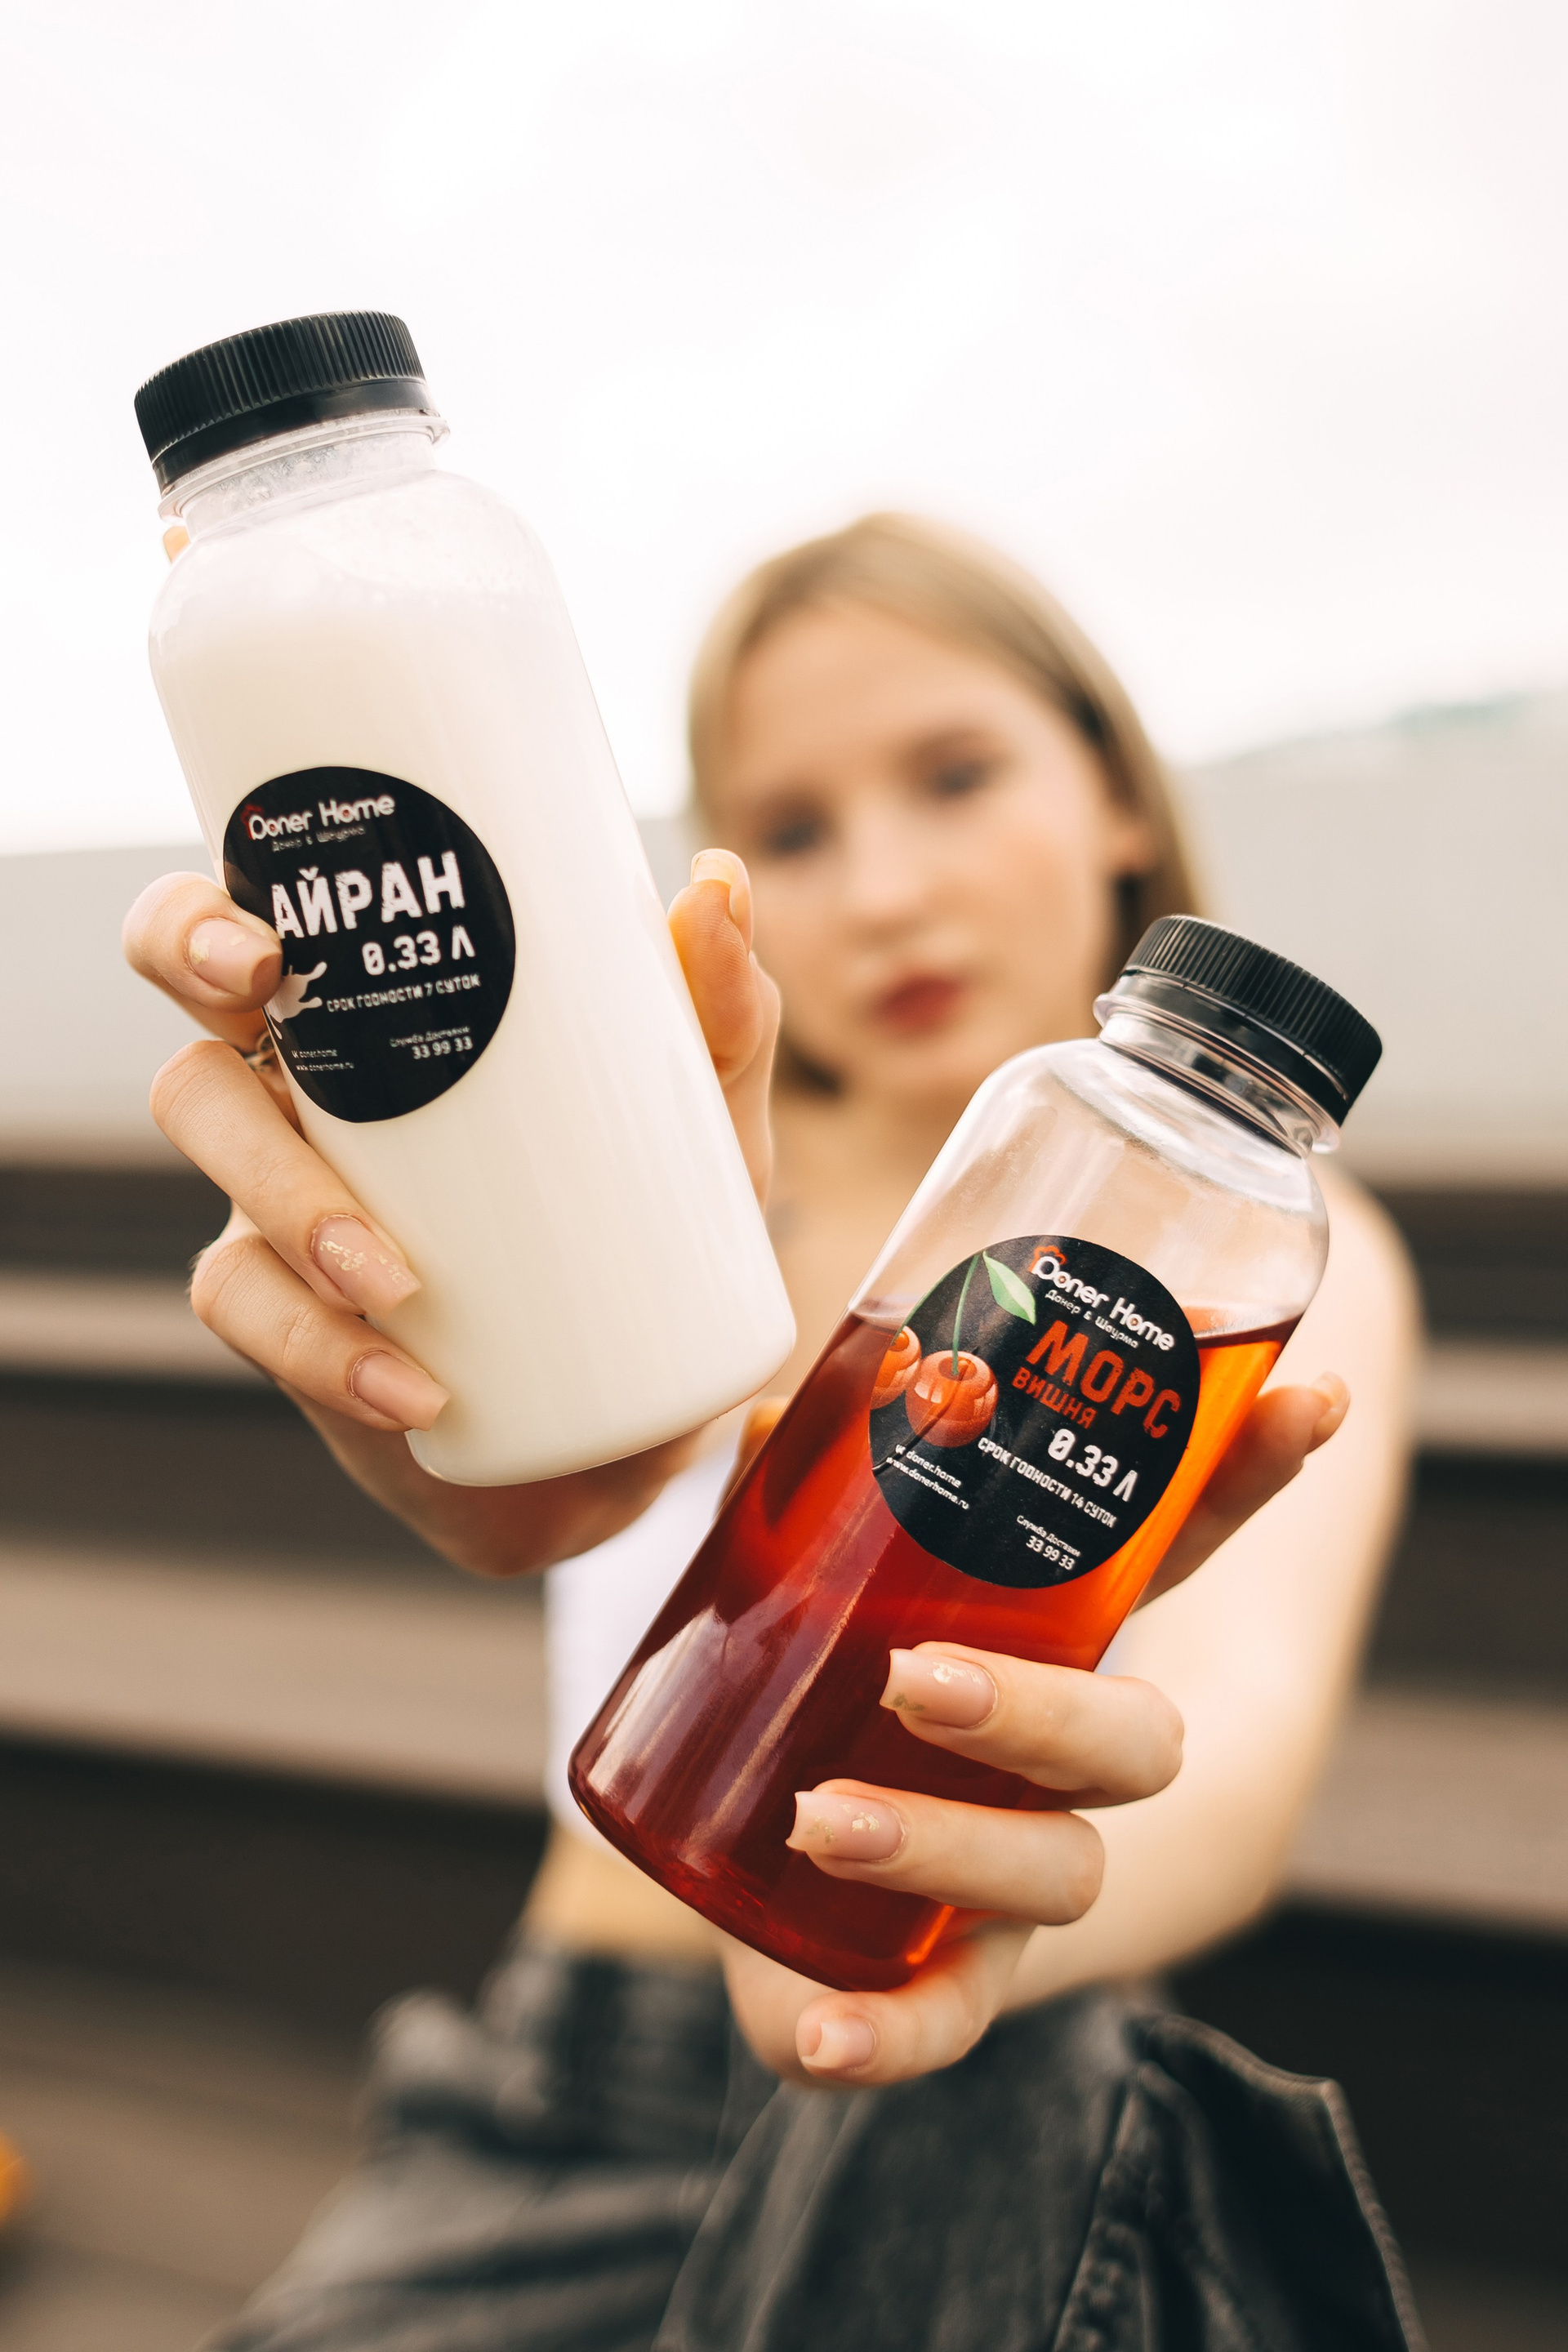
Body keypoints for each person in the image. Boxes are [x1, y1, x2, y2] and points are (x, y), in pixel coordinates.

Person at [124, 514, 1421, 2350]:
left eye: (955, 776)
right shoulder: (659, 1164)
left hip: (965, 2064)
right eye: (793, 831)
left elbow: (1235, 1754)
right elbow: (519, 1483)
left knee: (1045, 2090)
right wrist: (424, 1353)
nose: (885, 891)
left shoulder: (1255, 1267)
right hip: (565, 2093)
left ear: (1119, 795)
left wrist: (942, 1903)